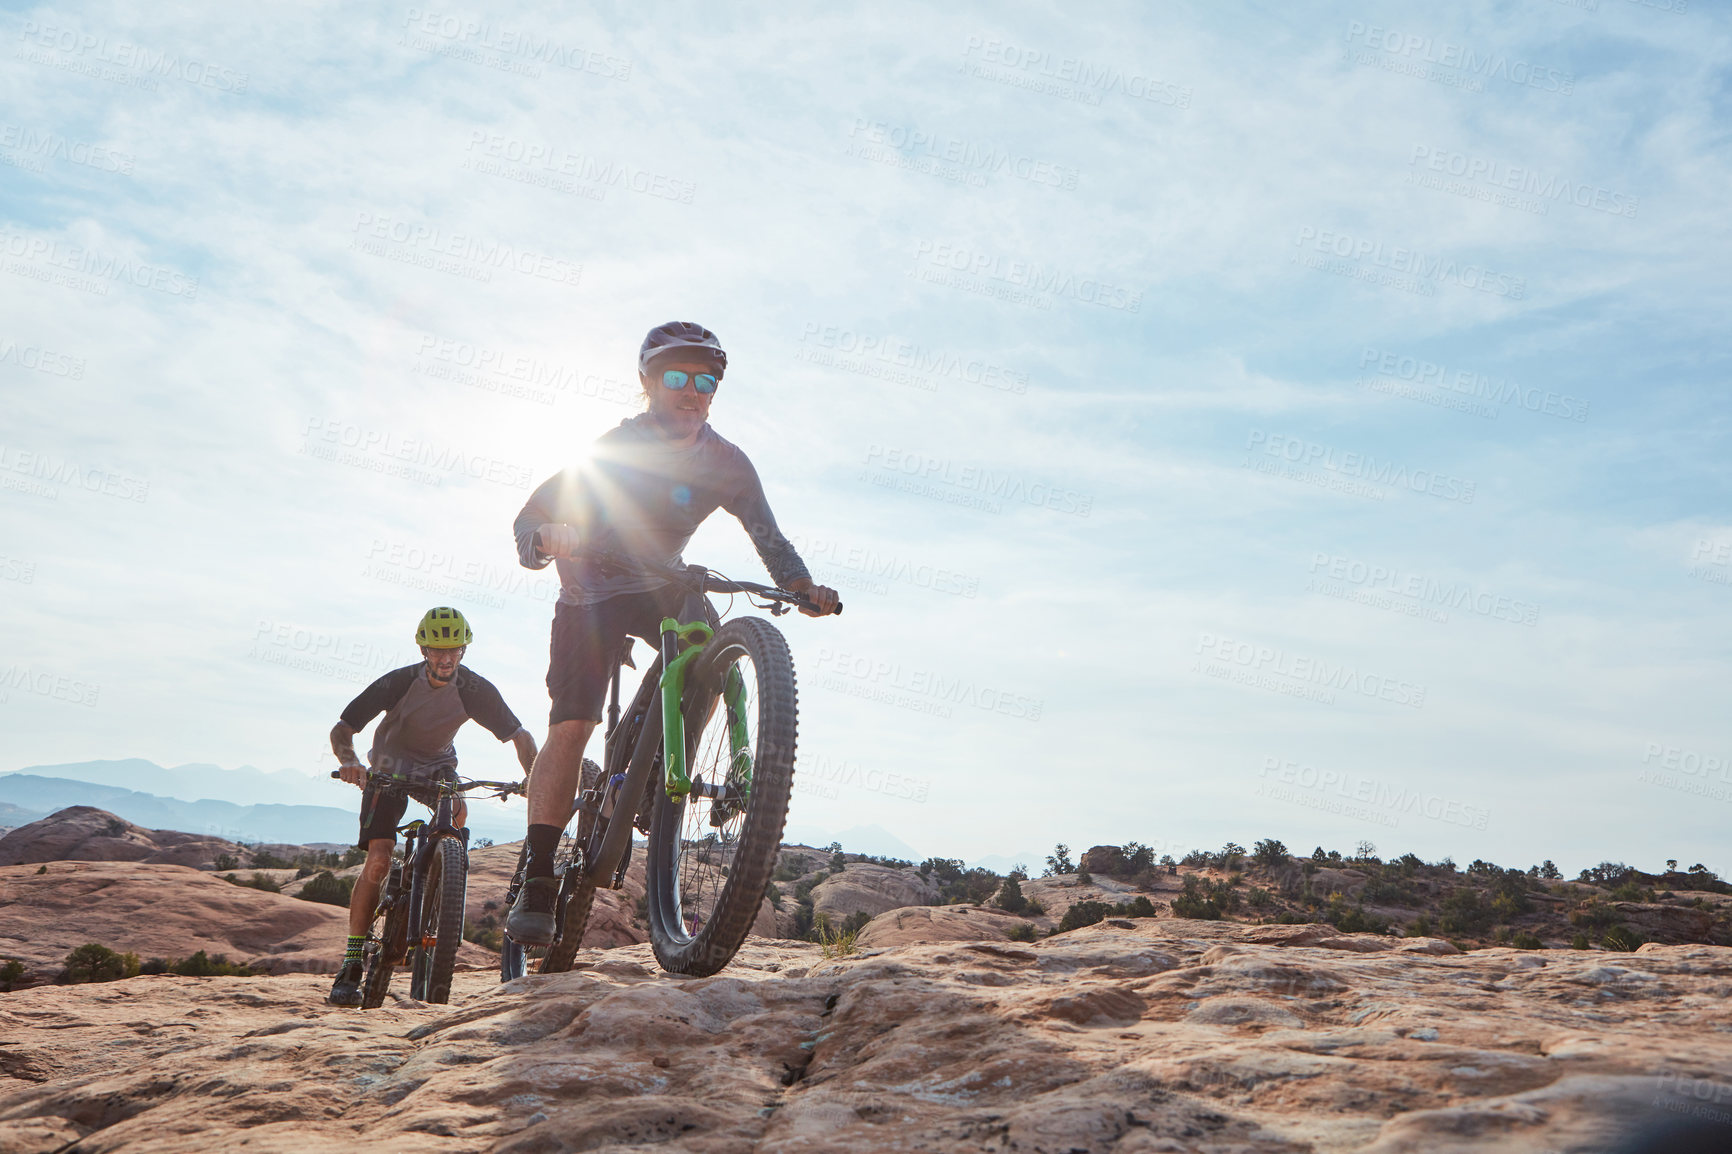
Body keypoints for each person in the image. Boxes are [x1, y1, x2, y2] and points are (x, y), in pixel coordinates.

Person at [504, 321, 839, 944]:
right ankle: (540, 874)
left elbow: (770, 539)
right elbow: (532, 516)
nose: (693, 391)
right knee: (572, 726)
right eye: (677, 378)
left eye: (706, 380)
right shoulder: (612, 448)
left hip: (664, 581)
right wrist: (545, 541)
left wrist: (801, 585)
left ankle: (658, 761)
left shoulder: (727, 463)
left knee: (712, 650)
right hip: (592, 590)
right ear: (648, 385)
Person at [326, 606, 538, 1006]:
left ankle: (438, 881)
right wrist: (349, 762)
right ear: (423, 649)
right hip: (388, 767)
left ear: (463, 650)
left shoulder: (473, 689)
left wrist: (534, 777)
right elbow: (344, 726)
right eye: (437, 650)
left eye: (453, 650)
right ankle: (352, 960)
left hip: (438, 768)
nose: (445, 659)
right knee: (380, 855)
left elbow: (520, 735)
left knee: (458, 812)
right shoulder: (400, 681)